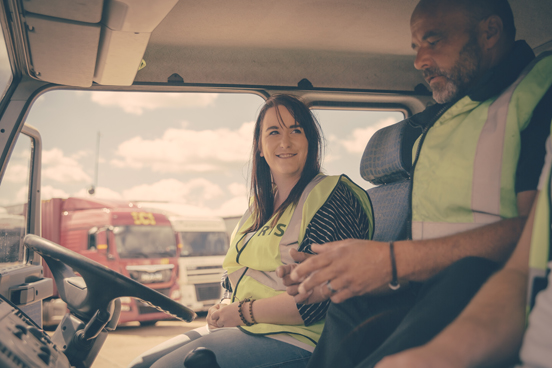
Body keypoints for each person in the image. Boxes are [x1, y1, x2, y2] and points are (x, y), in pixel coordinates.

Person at [277, 1, 552, 367]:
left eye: (433, 41)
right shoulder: (443, 119)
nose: (420, 60)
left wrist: (392, 260)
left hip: (484, 288)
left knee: (463, 277)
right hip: (423, 287)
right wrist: (335, 276)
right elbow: (424, 246)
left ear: (490, 32)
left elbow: (535, 238)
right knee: (350, 302)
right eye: (416, 47)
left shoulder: (537, 95)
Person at [127, 94, 374, 368]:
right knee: (140, 364)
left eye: (296, 130)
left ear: (310, 141)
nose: (285, 141)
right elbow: (234, 275)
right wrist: (223, 307)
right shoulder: (256, 210)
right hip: (246, 327)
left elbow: (316, 300)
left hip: (302, 340)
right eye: (274, 132)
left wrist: (242, 313)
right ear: (259, 145)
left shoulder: (332, 196)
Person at [373, 128, 552, 367]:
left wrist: (395, 262)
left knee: (465, 272)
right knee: (354, 300)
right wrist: (443, 355)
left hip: (458, 282)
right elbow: (520, 272)